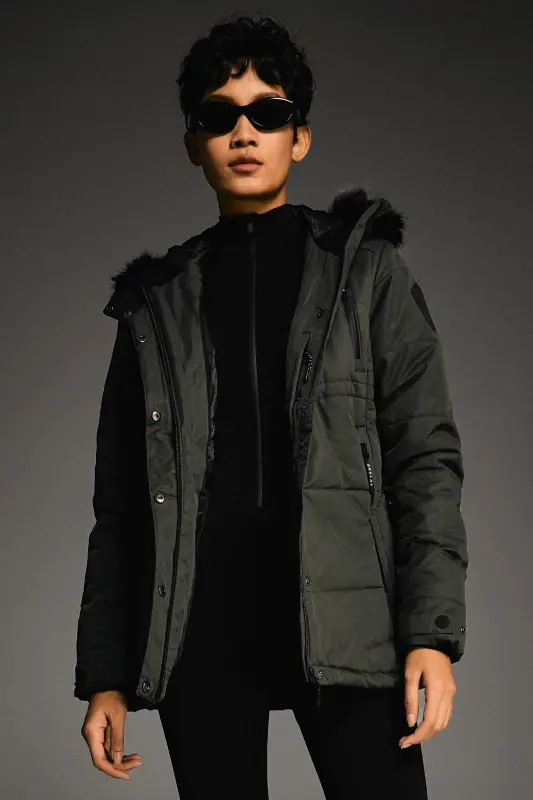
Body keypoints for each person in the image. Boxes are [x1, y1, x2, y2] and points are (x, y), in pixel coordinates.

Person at [75, 12, 468, 799]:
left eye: (268, 112)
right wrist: (106, 676)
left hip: (347, 619)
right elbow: (120, 507)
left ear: (300, 136)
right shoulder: (155, 303)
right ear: (193, 143)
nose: (244, 132)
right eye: (219, 116)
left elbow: (424, 460)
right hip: (199, 630)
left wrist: (430, 635)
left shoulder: (365, 274)